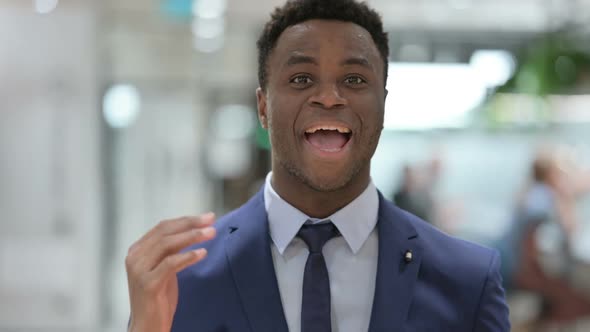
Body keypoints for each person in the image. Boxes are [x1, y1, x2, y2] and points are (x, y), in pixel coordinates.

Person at [124, 0, 510, 331]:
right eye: (302, 78)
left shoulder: (467, 280)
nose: (329, 97)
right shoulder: (184, 279)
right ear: (263, 106)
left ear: (383, 104)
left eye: (355, 79)